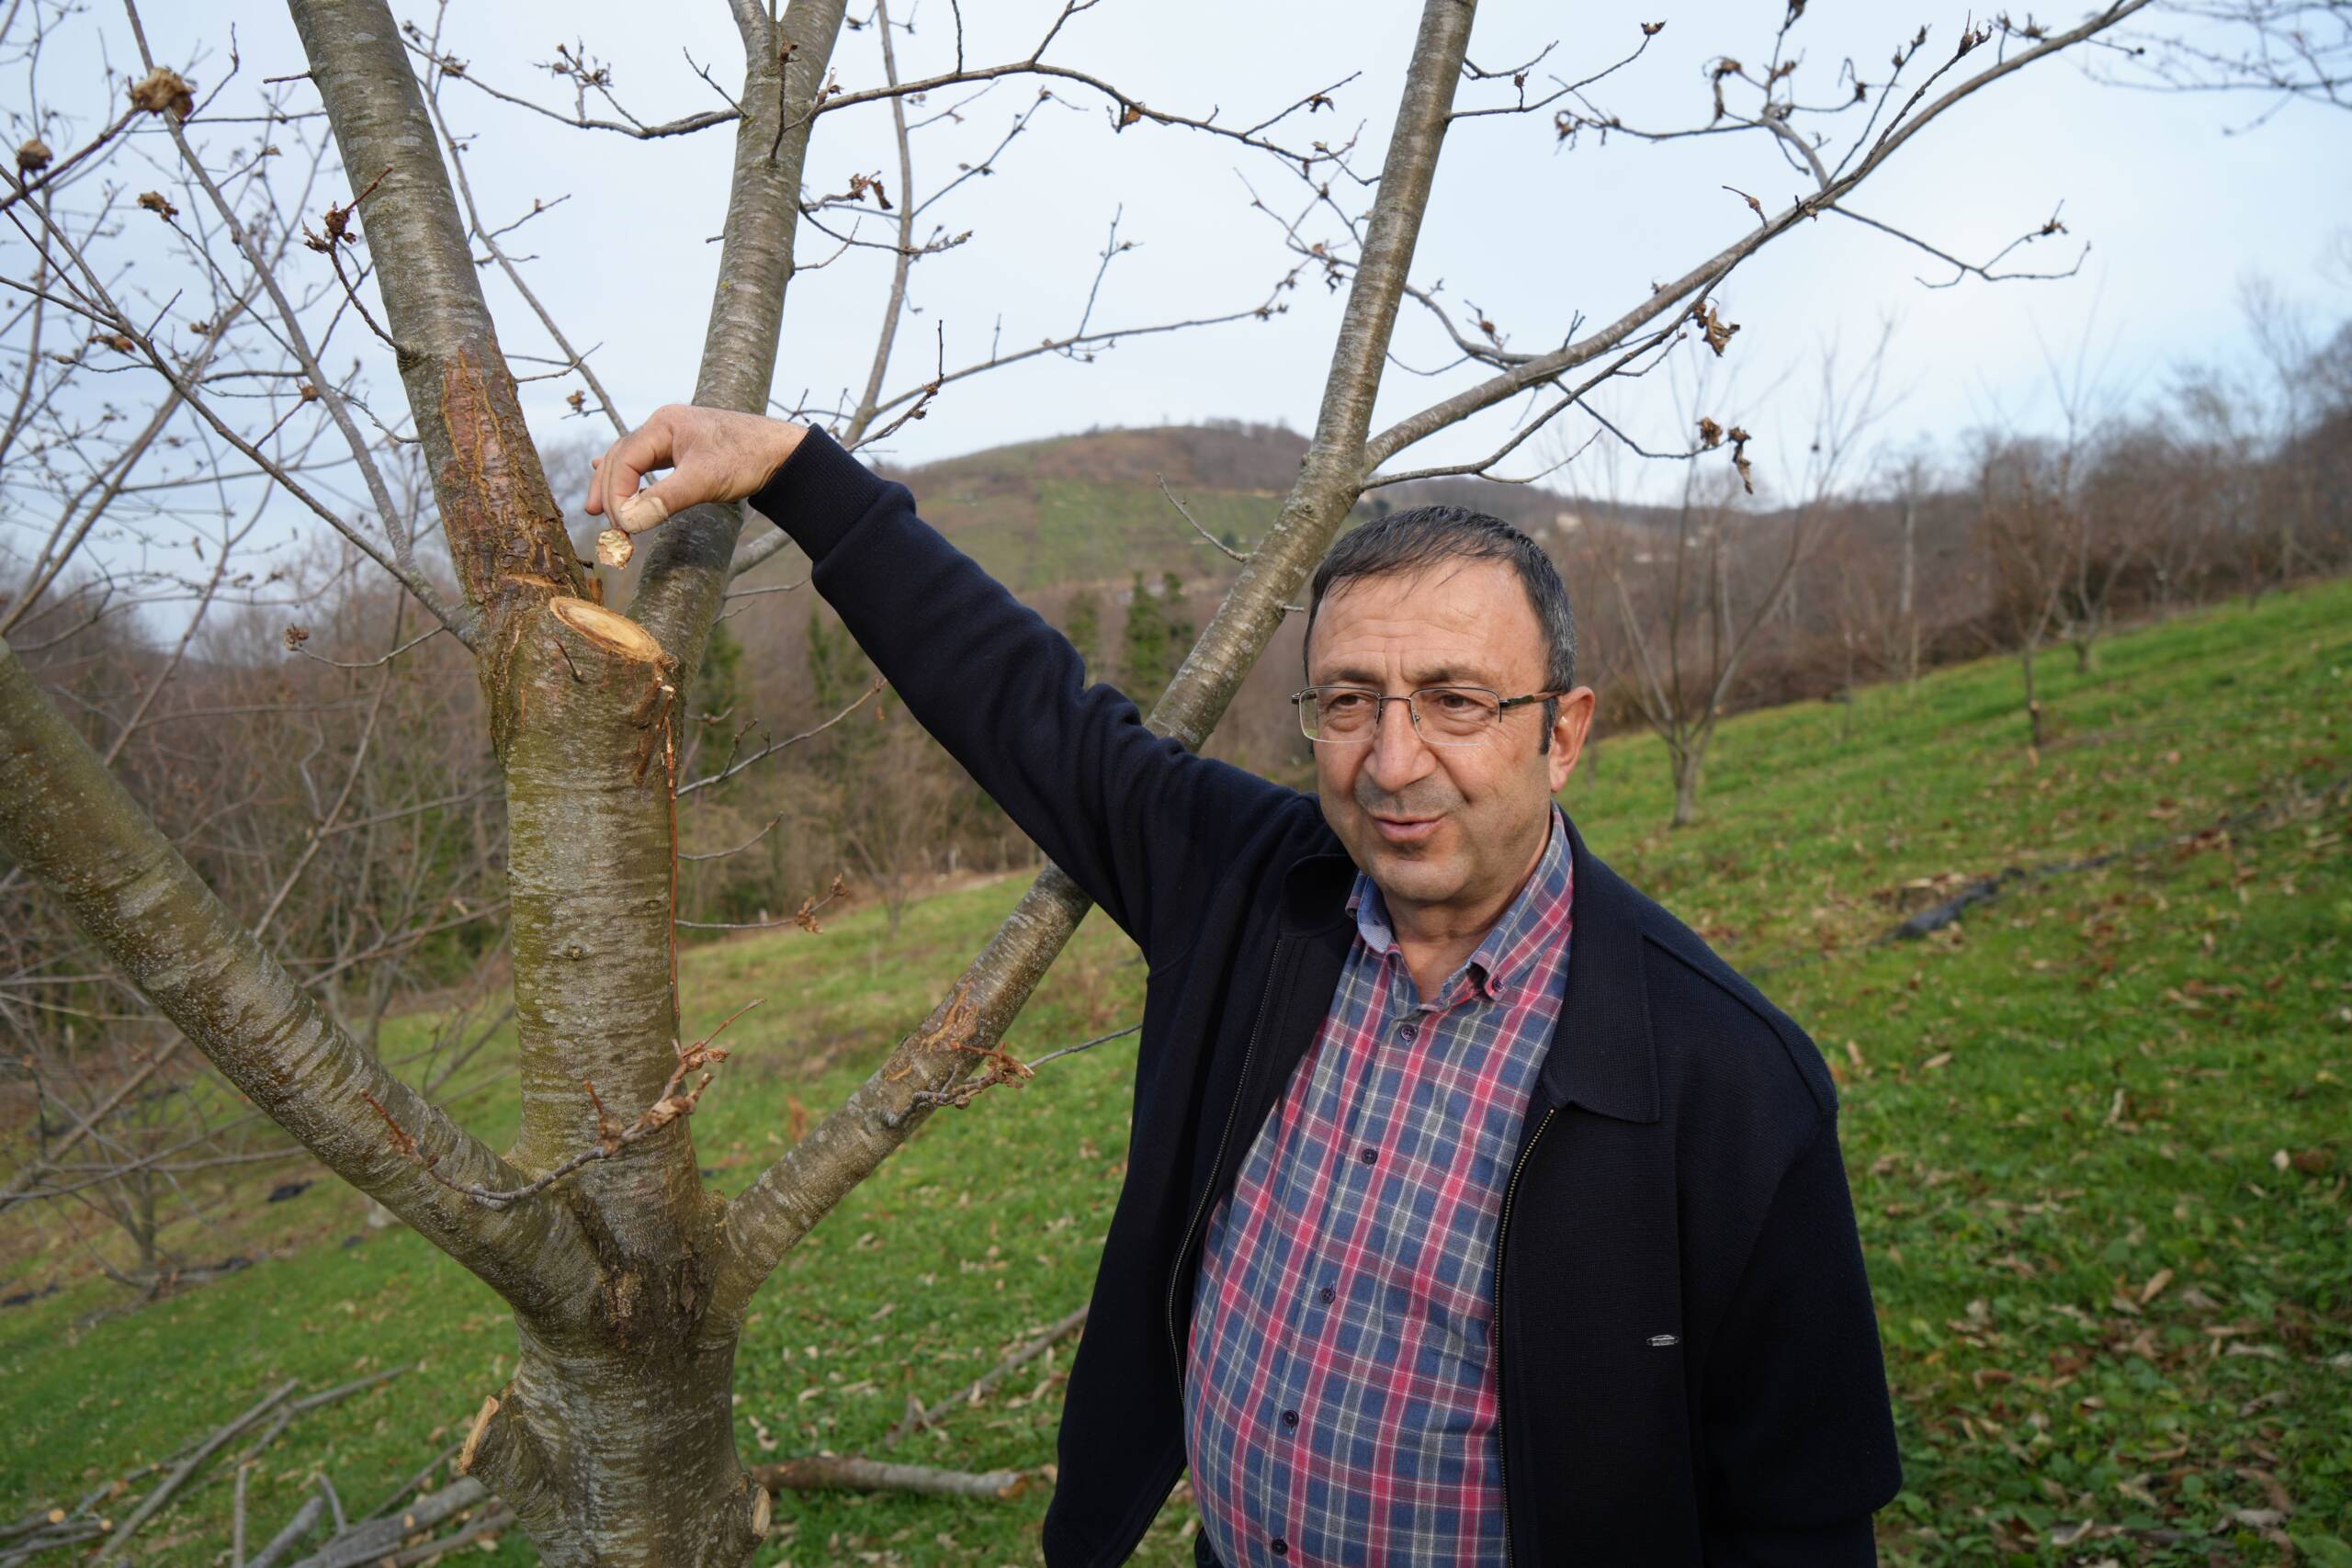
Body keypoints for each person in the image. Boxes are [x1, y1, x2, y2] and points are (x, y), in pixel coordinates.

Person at [590, 406, 1903, 1566]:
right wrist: (799, 473)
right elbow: (1029, 709)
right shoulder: (1256, 895)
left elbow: (1801, 1517)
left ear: (1560, 733)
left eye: (1455, 701)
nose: (1393, 764)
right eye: (1348, 703)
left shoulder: (1727, 1080)